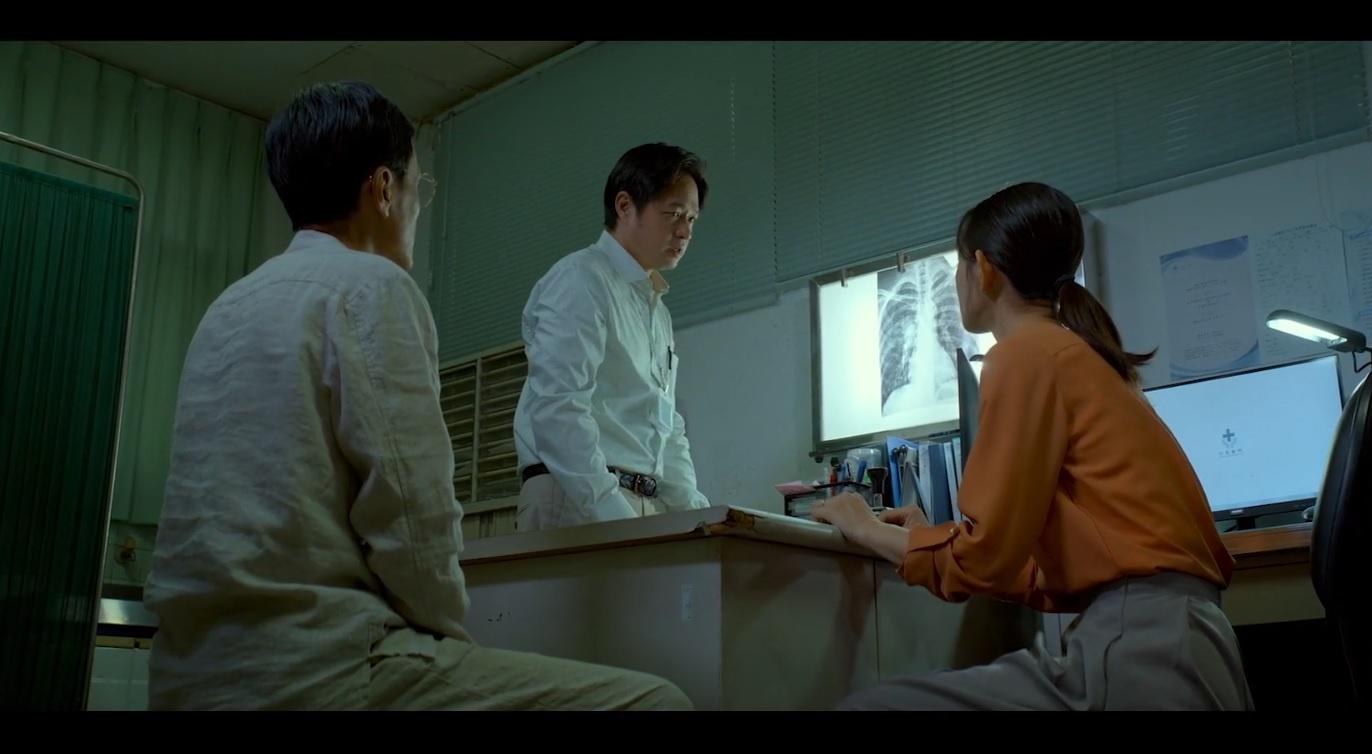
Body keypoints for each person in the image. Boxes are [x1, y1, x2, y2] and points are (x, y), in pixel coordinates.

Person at [143, 81, 692, 711]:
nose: (417, 206)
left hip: (189, 673)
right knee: (660, 700)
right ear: (384, 188)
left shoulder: (227, 306)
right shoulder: (374, 287)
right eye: (418, 187)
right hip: (321, 666)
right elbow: (413, 516)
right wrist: (448, 639)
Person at [813, 182, 1253, 711]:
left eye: (959, 264)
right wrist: (925, 539)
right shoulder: (1078, 356)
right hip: (1187, 647)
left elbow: (983, 563)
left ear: (983, 269)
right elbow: (1021, 568)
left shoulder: (1024, 355)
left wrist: (863, 526)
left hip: (1138, 654)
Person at [513, 143, 711, 531]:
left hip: (636, 503)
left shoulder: (657, 311)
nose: (685, 231)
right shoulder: (581, 279)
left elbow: (666, 427)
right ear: (624, 206)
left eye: (691, 218)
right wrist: (613, 513)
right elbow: (559, 409)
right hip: (575, 496)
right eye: (673, 214)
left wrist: (698, 515)